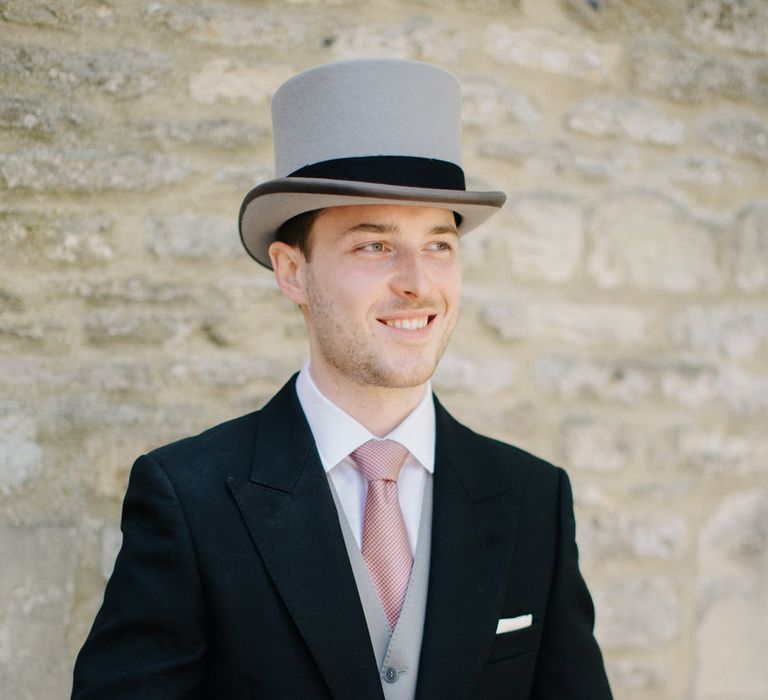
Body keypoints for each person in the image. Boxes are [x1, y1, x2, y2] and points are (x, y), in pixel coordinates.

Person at [72, 59, 613, 700]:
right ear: (291, 271)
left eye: (439, 244)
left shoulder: (532, 498)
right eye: (374, 245)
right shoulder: (189, 499)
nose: (417, 280)